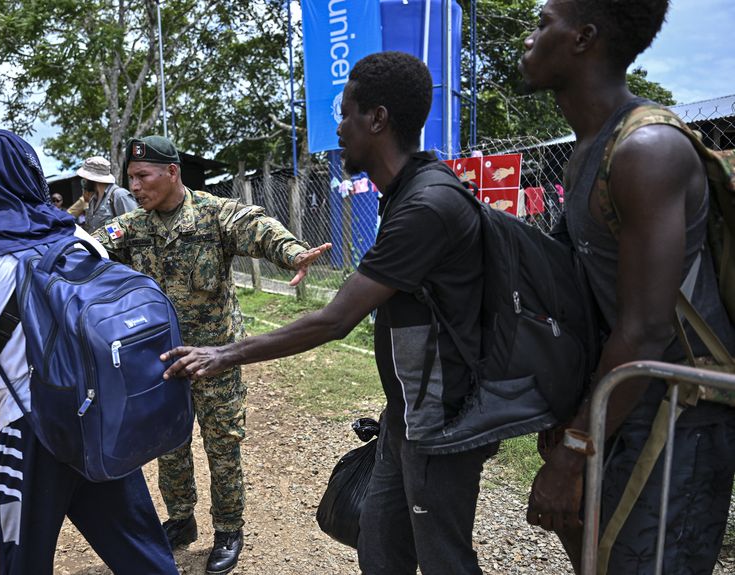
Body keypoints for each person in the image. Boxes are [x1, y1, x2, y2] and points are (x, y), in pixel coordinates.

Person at [160, 51, 497, 575]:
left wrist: (225, 354)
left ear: (377, 119)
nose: (338, 129)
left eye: (345, 114)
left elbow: (335, 320)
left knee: (443, 557)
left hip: (441, 420)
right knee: (379, 546)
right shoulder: (403, 195)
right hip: (406, 413)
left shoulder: (426, 207)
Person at [520, 1, 735, 573]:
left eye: (543, 24)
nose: (530, 37)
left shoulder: (646, 150)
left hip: (683, 407)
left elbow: (645, 328)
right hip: (625, 396)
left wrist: (573, 454)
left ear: (583, 38)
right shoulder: (588, 150)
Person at [0, 129, 179, 575]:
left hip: (31, 429)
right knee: (143, 556)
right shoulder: (74, 233)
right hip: (97, 415)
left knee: (23, 561)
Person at [91, 134, 330, 575]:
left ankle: (228, 529)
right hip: (163, 361)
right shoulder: (133, 226)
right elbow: (88, 248)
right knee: (169, 445)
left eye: (143, 176)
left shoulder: (213, 214)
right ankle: (181, 520)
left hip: (216, 357)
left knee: (222, 445)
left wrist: (294, 253)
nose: (135, 187)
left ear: (172, 172)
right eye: (131, 178)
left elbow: (257, 226)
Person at [77, 155, 137, 231]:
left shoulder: (119, 196)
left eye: (85, 178)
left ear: (92, 178)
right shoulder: (93, 200)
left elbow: (135, 226)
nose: (84, 181)